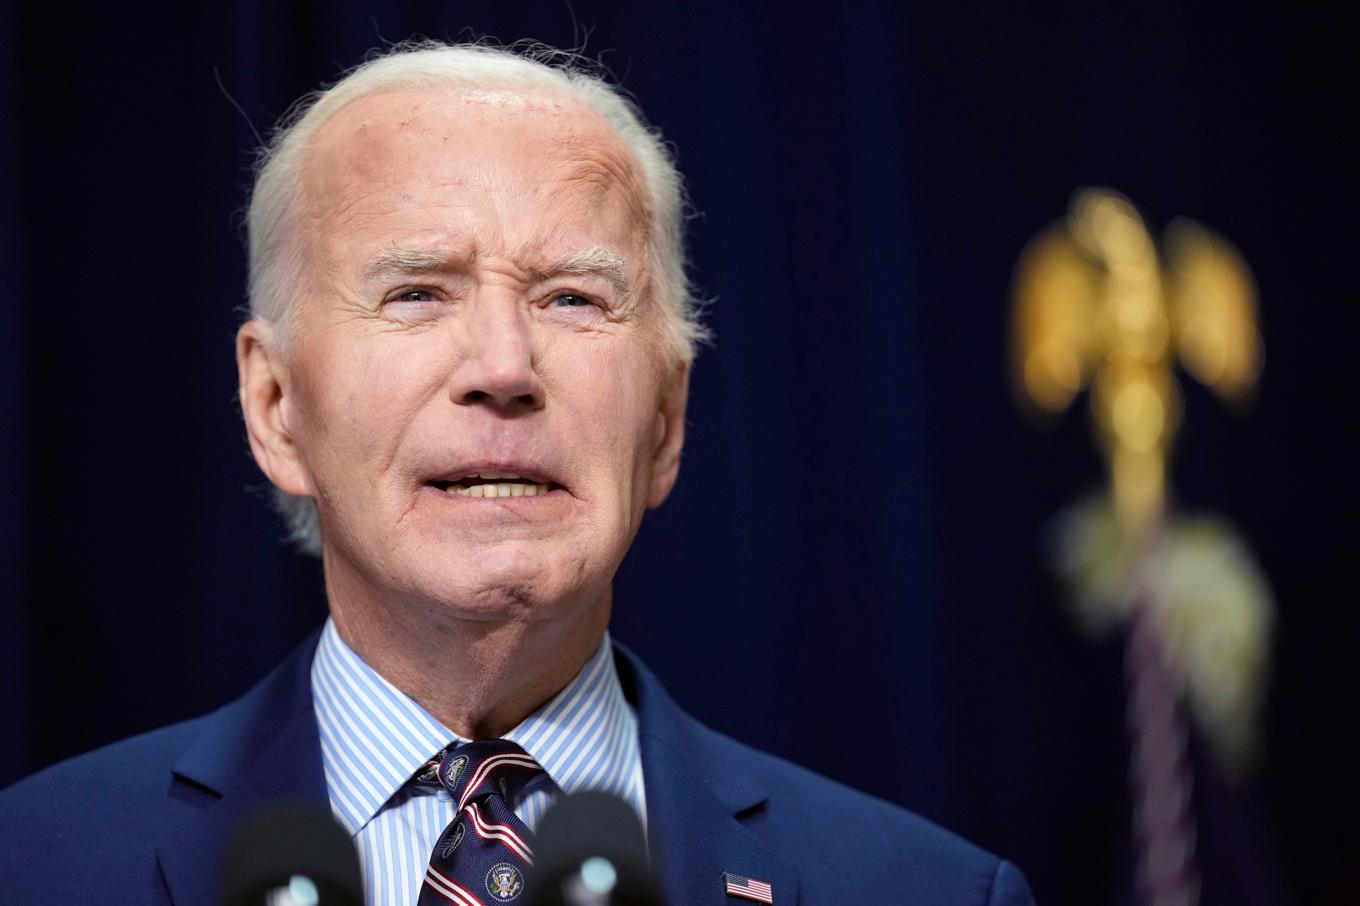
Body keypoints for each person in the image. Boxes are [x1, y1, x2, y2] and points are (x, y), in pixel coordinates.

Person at [0, 41, 1035, 905]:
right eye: (416, 292)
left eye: (573, 299)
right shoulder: (35, 864)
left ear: (667, 419)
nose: (503, 367)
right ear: (275, 408)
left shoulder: (925, 889)